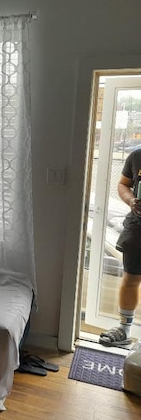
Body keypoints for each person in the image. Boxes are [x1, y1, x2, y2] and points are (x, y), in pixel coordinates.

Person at [99, 149, 141, 347]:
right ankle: (124, 330)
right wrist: (131, 200)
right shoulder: (137, 156)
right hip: (137, 228)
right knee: (131, 278)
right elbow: (124, 184)